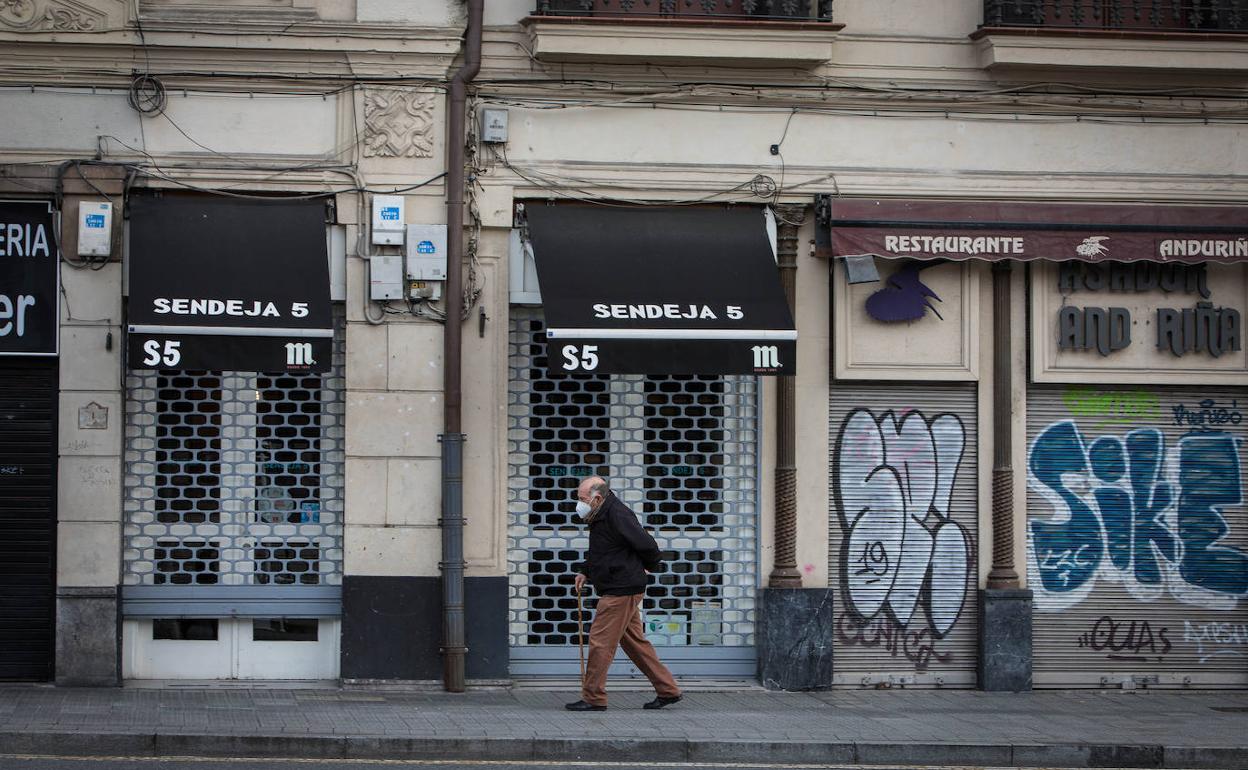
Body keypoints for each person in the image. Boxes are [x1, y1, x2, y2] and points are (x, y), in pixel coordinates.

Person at [565, 476, 683, 712]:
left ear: (596, 498)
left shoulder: (617, 515)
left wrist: (650, 564)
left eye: (582, 499)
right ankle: (668, 690)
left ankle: (593, 697)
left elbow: (647, 545)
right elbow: (604, 550)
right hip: (621, 586)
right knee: (636, 644)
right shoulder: (600, 514)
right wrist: (585, 571)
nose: (579, 503)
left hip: (621, 589)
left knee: (600, 643)